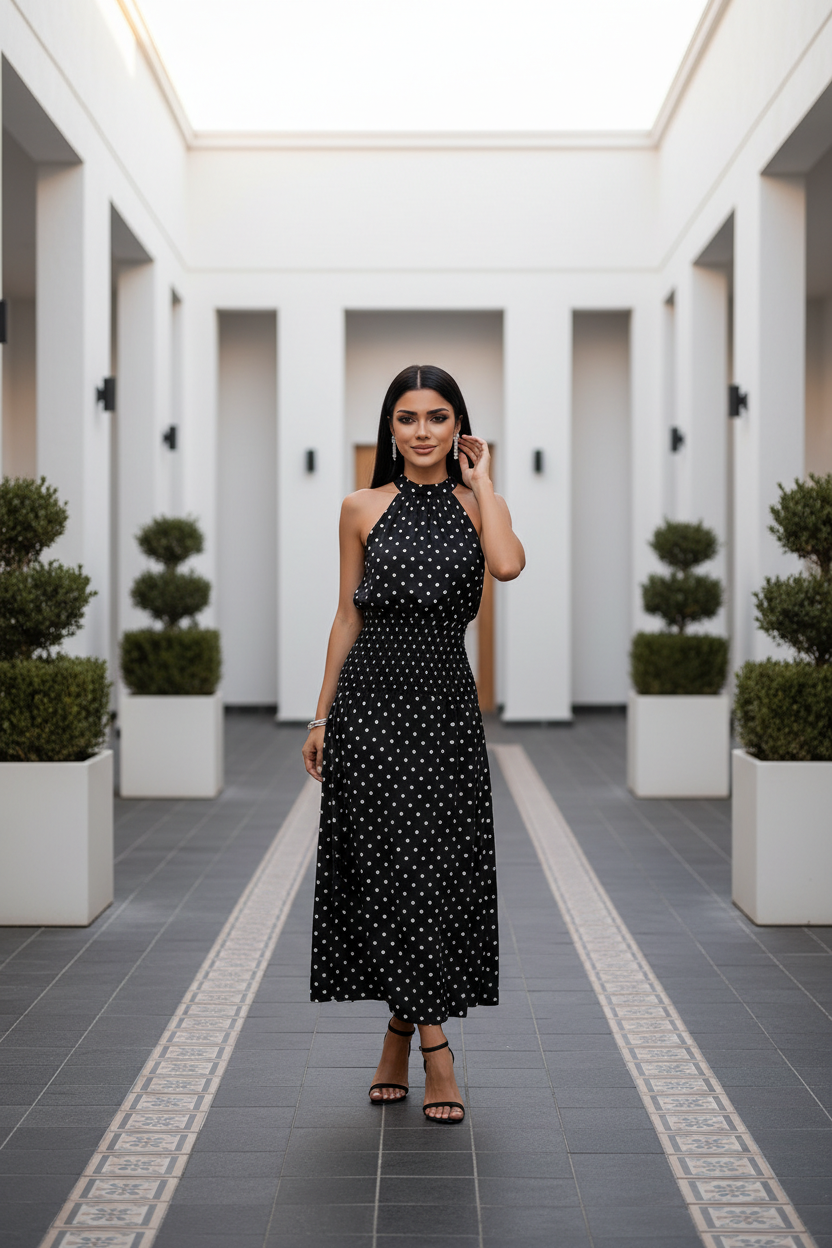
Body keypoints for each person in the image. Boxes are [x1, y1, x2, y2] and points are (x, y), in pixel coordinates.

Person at [302, 364, 525, 1123]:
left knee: (434, 868)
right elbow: (345, 615)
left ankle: (398, 1033)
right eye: (407, 418)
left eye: (437, 417)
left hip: (443, 709)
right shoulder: (360, 506)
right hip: (370, 706)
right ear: (388, 430)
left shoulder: (475, 507)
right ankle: (436, 1048)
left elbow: (508, 565)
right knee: (388, 869)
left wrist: (485, 480)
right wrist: (321, 715)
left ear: (458, 427)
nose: (422, 431)